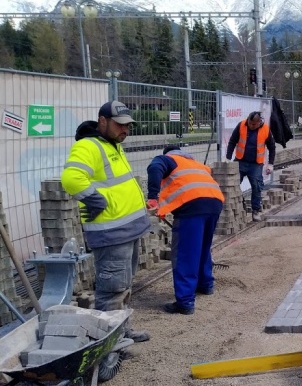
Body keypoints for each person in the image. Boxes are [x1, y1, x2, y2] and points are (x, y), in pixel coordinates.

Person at [61, 100, 151, 342]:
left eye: (128, 126)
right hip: (111, 233)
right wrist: (96, 200)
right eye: (120, 125)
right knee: (112, 290)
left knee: (123, 286)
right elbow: (71, 178)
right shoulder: (89, 146)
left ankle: (122, 330)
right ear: (102, 121)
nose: (125, 130)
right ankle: (109, 345)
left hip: (125, 231)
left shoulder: (112, 144)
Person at [146, 145, 224, 315]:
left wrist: (153, 197)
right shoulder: (195, 164)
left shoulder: (167, 159)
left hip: (191, 206)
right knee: (202, 248)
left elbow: (154, 167)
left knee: (185, 254)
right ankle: (205, 285)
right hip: (215, 202)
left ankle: (185, 301)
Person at [225, 111, 275, 221]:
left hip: (256, 164)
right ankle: (240, 205)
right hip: (240, 161)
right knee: (233, 184)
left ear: (259, 122)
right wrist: (228, 158)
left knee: (256, 187)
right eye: (250, 123)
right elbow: (232, 141)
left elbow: (272, 147)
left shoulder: (265, 129)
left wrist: (270, 164)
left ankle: (255, 210)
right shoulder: (241, 125)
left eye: (253, 124)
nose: (251, 126)